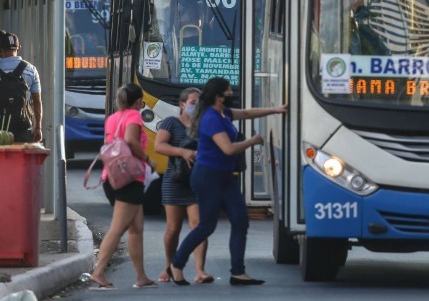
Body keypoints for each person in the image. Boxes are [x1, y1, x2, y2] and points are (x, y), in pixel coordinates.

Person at [168, 77, 288, 286]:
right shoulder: (211, 118)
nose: (231, 94)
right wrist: (253, 141)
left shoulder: (224, 113)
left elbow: (248, 113)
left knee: (240, 220)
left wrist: (276, 110)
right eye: (228, 91)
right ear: (218, 96)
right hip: (208, 177)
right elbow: (228, 149)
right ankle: (176, 265)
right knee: (206, 226)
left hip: (224, 176)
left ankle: (238, 272)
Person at [85, 83, 157, 290]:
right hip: (129, 180)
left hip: (113, 177)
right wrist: (148, 160)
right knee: (117, 229)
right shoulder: (134, 115)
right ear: (137, 101)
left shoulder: (113, 118)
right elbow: (131, 141)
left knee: (136, 229)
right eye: (141, 101)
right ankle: (98, 272)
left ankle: (141, 276)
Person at [154, 87, 213, 284]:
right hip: (175, 181)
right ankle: (170, 265)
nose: (196, 107)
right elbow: (159, 146)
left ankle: (200, 271)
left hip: (198, 181)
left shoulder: (204, 125)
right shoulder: (171, 123)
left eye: (199, 103)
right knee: (173, 228)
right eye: (192, 102)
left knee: (198, 225)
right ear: (182, 105)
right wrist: (182, 152)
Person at [0, 30, 43, 143]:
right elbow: (37, 101)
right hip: (22, 129)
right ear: (19, 48)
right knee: (21, 159)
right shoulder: (31, 70)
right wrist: (37, 127)